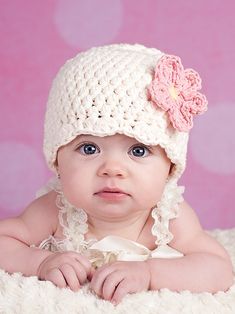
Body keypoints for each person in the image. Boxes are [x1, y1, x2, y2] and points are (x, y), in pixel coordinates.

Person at [0, 44, 233, 304]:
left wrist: (149, 273)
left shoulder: (167, 219)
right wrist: (40, 262)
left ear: (170, 167)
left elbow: (218, 268)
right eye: (89, 148)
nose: (113, 168)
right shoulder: (56, 211)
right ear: (57, 160)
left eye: (138, 150)